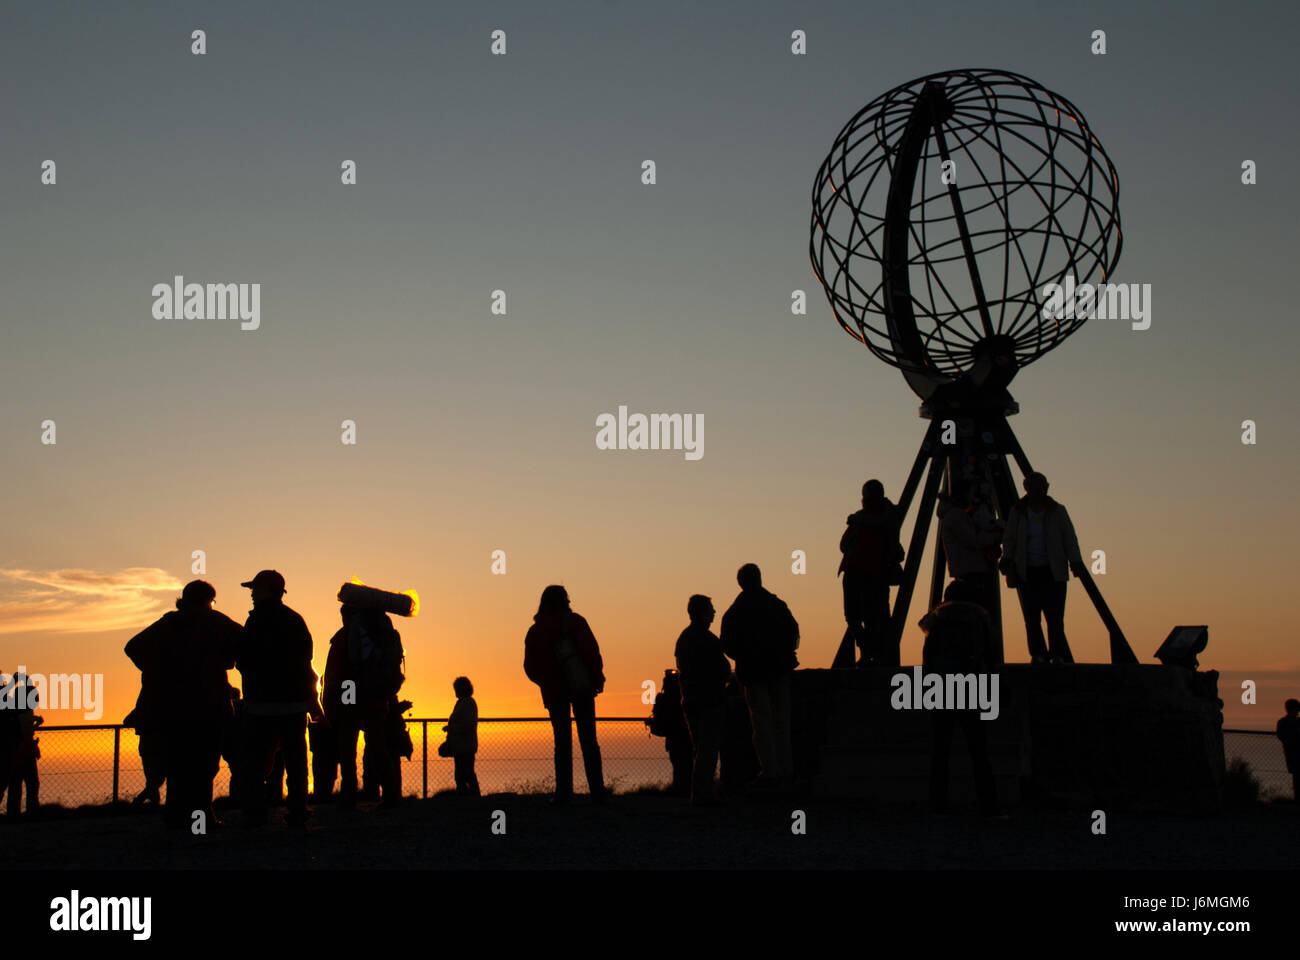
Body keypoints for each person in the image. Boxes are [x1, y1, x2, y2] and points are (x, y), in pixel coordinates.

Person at [124, 581, 242, 828]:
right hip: (207, 709)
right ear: (210, 600)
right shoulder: (216, 622)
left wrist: (159, 671)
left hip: (173, 710)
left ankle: (176, 817)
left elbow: (133, 647)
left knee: (179, 765)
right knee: (204, 765)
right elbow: (246, 644)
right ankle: (201, 817)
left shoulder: (169, 623)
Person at [236, 570, 322, 826]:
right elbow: (305, 662)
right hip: (292, 705)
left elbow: (244, 660)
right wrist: (311, 698)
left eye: (255, 589)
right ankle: (297, 809)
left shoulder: (255, 622)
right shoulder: (294, 620)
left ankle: (255, 812)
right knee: (295, 759)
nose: (251, 594)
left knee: (255, 761)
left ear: (267, 590)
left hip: (260, 705)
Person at [920, 581, 1000, 817]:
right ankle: (989, 805)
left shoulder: (936, 619)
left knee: (940, 750)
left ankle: (938, 805)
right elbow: (990, 654)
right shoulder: (979, 618)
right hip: (970, 686)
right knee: (978, 750)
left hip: (942, 687)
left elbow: (929, 656)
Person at [523, 585, 608, 804]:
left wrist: (545, 682)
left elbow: (530, 667)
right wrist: (597, 678)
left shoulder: (536, 631)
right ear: (566, 601)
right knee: (589, 740)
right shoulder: (576, 622)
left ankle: (564, 793)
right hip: (582, 687)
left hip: (554, 692)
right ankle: (597, 792)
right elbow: (591, 652)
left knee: (561, 742)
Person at [720, 564, 799, 787]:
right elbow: (793, 632)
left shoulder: (735, 612)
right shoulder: (776, 605)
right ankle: (786, 769)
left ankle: (770, 770)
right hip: (779, 670)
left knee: (761, 722)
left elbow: (727, 643)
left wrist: (744, 657)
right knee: (782, 720)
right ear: (760, 579)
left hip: (753, 673)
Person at [322, 603, 405, 809]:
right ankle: (391, 795)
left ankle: (348, 796)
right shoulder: (379, 638)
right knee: (378, 747)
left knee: (347, 749)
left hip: (350, 699)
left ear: (345, 616)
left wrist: (333, 705)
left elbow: (334, 674)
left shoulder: (343, 639)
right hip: (375, 699)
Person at [1000, 472, 1086, 664]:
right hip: (1027, 571)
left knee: (1054, 617)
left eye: (1041, 488)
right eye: (1035, 488)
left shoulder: (1057, 511)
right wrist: (1007, 558)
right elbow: (1010, 539)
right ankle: (1038, 653)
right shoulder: (1018, 512)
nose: (1039, 491)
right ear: (1028, 489)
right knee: (1032, 618)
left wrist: (1076, 561)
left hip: (1052, 571)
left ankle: (1056, 653)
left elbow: (1069, 538)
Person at [839, 480, 904, 667]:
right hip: (866, 573)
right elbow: (844, 544)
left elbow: (845, 544)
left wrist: (856, 520)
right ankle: (871, 652)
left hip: (869, 573)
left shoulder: (877, 517)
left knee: (866, 616)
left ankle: (871, 652)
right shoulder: (876, 516)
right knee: (866, 616)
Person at [674, 595, 732, 805]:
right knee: (709, 747)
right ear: (702, 613)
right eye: (711, 609)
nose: (714, 613)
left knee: (699, 747)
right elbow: (724, 669)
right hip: (710, 699)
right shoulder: (708, 640)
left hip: (690, 699)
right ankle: (703, 794)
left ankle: (700, 792)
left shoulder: (684, 638)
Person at [647, 669, 691, 796]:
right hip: (685, 736)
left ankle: (679, 789)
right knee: (687, 763)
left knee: (678, 765)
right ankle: (687, 789)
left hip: (673, 737)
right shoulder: (685, 697)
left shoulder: (663, 699)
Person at [5, 671, 42, 817]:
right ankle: (29, 813)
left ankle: (15, 813)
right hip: (21, 749)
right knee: (28, 783)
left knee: (20, 783)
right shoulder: (20, 710)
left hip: (21, 749)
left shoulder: (20, 709)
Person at [123, 689, 165, 807]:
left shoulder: (141, 710)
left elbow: (127, 721)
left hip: (147, 747)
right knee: (156, 779)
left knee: (153, 779)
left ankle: (150, 802)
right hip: (158, 747)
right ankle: (141, 800)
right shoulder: (161, 710)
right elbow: (127, 721)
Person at [442, 677, 480, 796]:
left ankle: (472, 796)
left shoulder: (467, 703)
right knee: (462, 774)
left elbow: (467, 725)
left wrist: (451, 729)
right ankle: (467, 796)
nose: (455, 691)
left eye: (457, 688)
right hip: (461, 746)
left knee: (466, 774)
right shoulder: (463, 702)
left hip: (465, 745)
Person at [1277, 699, 1300, 803]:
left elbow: (1281, 736)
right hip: (1294, 753)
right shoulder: (1288, 723)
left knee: (1296, 777)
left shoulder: (1283, 722)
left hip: (1291, 753)